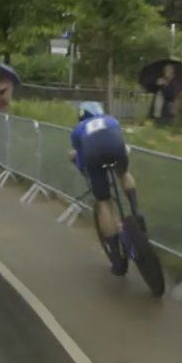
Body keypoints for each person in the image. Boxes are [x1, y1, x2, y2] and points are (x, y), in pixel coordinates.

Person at [69, 101, 141, 275]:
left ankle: (117, 259)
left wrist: (78, 164)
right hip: (115, 148)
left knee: (104, 202)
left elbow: (81, 160)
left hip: (93, 157)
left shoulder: (77, 130)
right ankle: (136, 212)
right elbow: (121, 143)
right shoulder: (111, 120)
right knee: (124, 173)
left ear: (81, 116)